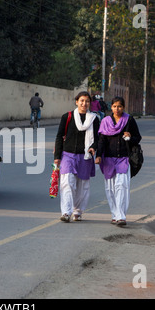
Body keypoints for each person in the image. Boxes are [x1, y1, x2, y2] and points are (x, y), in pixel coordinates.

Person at [95, 96, 142, 227]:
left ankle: (121, 216)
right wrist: (98, 156)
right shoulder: (105, 121)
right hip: (108, 159)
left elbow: (138, 137)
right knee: (110, 188)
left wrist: (130, 137)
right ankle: (114, 214)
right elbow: (101, 141)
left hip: (124, 158)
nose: (117, 109)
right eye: (115, 106)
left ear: (123, 107)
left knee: (121, 186)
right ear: (111, 107)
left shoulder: (129, 120)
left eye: (120, 106)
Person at [54, 91, 100, 222]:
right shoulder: (67, 117)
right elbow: (59, 136)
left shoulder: (94, 119)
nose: (84, 103)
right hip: (68, 155)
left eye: (87, 101)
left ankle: (78, 211)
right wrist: (57, 156)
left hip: (85, 156)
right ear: (76, 102)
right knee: (67, 183)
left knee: (82, 186)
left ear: (90, 103)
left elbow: (98, 138)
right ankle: (66, 212)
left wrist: (94, 147)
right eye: (82, 101)